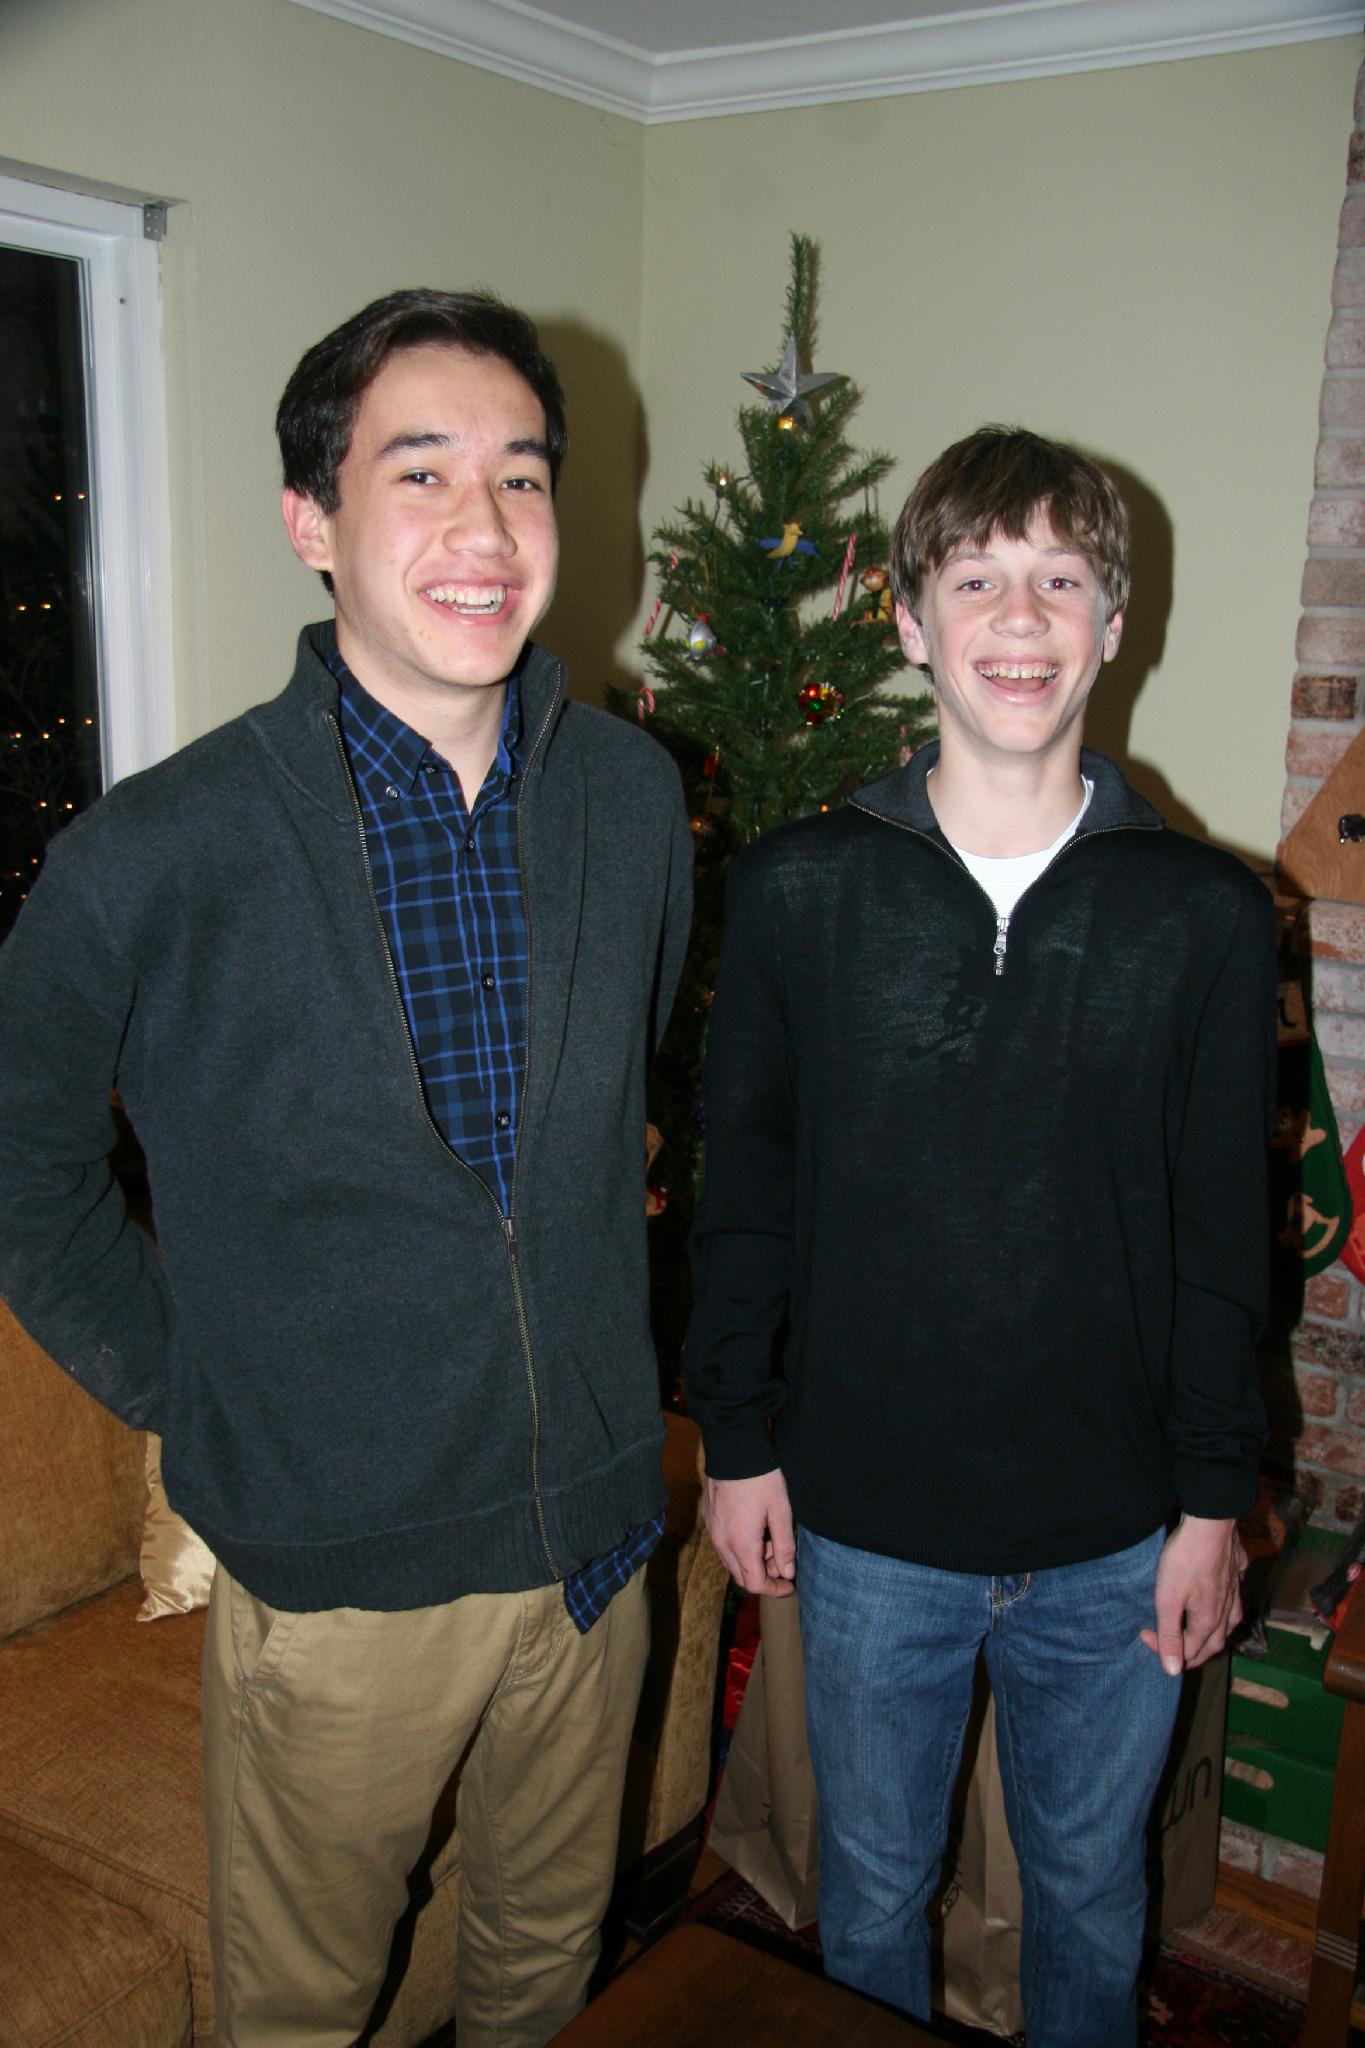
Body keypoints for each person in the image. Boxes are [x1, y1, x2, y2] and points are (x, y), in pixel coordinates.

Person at [0, 288, 692, 2048]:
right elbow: (20, 1159)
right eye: (421, 472)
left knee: (543, 1962)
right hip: (337, 1572)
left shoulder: (631, 800)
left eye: (521, 477)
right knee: (303, 2013)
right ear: (311, 521)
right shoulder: (155, 852)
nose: (486, 527)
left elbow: (608, 1121)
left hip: (594, 1533)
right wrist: (194, 1387)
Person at [684, 426, 1274, 2048]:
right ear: (908, 620)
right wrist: (738, 1439)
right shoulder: (799, 892)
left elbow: (1224, 1238)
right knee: (871, 1888)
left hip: (1115, 1534)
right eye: (975, 579)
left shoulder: (1205, 916)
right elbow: (748, 1191)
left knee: (1086, 1895)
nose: (1019, 619)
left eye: (1060, 581)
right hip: (869, 1523)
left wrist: (1210, 1501)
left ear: (1113, 625)